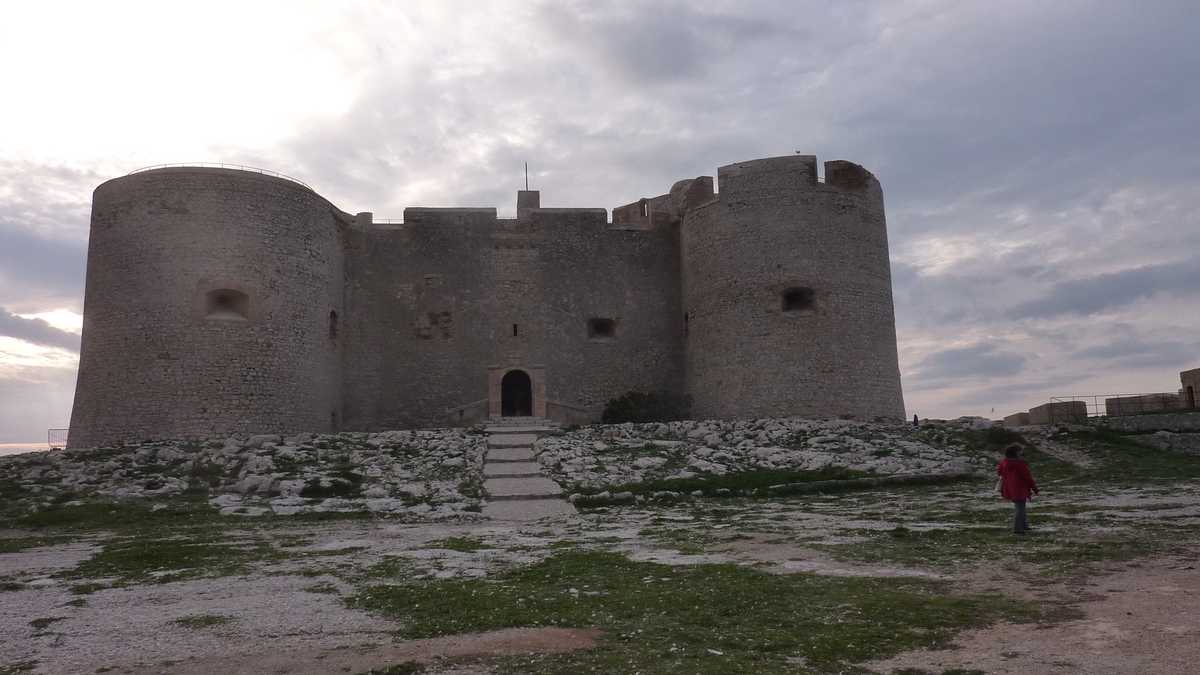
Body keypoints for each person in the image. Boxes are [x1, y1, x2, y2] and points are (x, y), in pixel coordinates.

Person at [997, 443, 1039, 534]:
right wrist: (1035, 489)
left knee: (1020, 507)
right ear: (1016, 452)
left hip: (1009, 488)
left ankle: (1024, 526)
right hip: (1020, 489)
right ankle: (1018, 529)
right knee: (1020, 508)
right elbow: (1028, 477)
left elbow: (999, 472)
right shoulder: (1020, 464)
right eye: (1020, 451)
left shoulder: (1004, 462)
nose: (1022, 453)